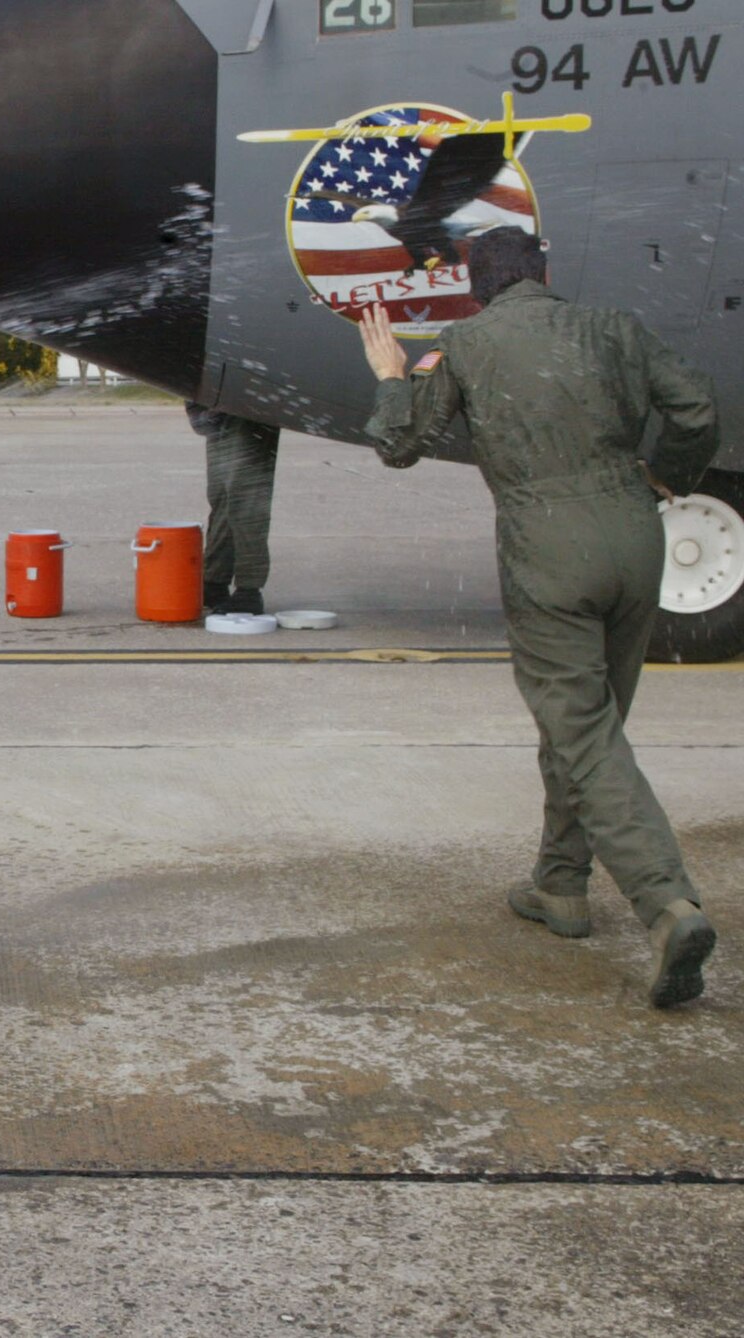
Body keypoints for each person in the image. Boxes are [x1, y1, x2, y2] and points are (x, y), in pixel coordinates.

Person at [357, 225, 721, 1009]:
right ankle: (560, 884)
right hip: (634, 538)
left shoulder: (467, 342)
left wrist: (391, 376)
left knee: (580, 730)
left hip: (546, 549)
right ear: (544, 272)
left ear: (473, 286)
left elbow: (398, 443)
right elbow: (696, 409)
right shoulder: (615, 327)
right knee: (592, 723)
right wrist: (669, 480)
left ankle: (667, 905)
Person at [185, 403, 280, 614]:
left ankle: (249, 590)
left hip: (248, 406)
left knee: (246, 500)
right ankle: (214, 582)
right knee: (221, 498)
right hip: (217, 409)